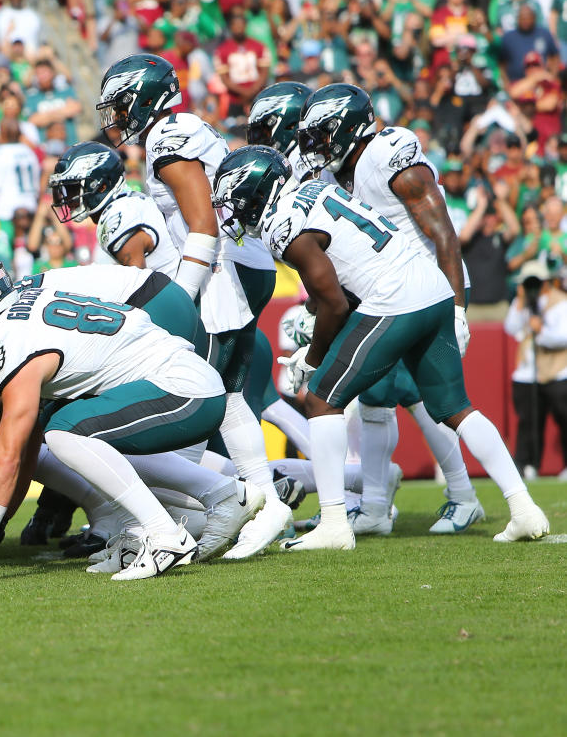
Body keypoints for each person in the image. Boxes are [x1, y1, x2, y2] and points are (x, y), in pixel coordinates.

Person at [212, 145, 550, 551]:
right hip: (432, 286)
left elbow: (334, 301)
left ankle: (336, 523)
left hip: (395, 298)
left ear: (257, 191)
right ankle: (524, 508)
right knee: (458, 409)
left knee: (320, 400)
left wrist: (315, 357)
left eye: (236, 199)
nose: (234, 212)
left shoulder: (282, 222)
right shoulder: (316, 192)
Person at [96, 53, 291, 557]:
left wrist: (176, 297)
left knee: (189, 400)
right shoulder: (180, 127)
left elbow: (202, 224)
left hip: (213, 280)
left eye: (120, 105)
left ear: (143, 98)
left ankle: (175, 524)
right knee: (225, 399)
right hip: (230, 273)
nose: (115, 117)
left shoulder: (167, 137)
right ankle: (260, 503)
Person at [0, 263, 226, 583]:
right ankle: (137, 535)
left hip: (184, 391)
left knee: (64, 432)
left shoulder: (8, 341)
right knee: (75, 427)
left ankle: (165, 535)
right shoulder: (28, 300)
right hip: (186, 378)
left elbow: (9, 453)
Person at [297, 83, 483, 535]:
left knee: (432, 399)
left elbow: (445, 235)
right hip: (388, 294)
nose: (316, 146)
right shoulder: (333, 176)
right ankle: (378, 506)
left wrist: (457, 308)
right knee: (381, 396)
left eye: (323, 134)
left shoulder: (388, 156)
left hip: (428, 289)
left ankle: (463, 494)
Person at [504, 265, 567, 477]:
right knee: (528, 421)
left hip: (556, 371)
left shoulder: (560, 302)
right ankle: (527, 464)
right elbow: (511, 328)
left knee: (564, 418)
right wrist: (520, 302)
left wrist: (542, 331)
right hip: (527, 372)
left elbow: (563, 337)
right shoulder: (522, 303)